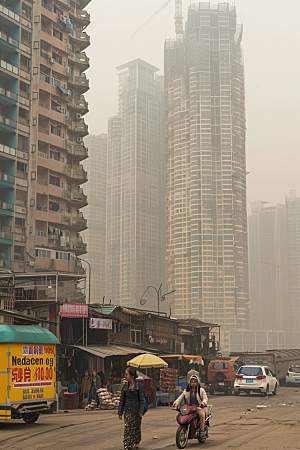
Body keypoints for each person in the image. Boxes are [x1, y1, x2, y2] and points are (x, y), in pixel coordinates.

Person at [173, 374, 208, 439]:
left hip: (198, 408)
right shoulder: (186, 391)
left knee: (202, 415)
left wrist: (203, 403)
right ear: (190, 383)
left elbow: (205, 399)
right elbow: (180, 398)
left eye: (195, 382)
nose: (193, 383)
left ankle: (202, 430)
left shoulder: (201, 390)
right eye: (192, 382)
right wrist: (176, 403)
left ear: (197, 382)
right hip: (189, 408)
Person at [118, 367, 144, 450]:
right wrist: (120, 412)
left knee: (136, 428)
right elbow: (122, 400)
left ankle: (136, 442)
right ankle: (127, 445)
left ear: (132, 376)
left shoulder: (139, 386)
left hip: (136, 411)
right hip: (127, 410)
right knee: (128, 428)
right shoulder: (125, 387)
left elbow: (141, 400)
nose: (125, 376)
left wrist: (141, 411)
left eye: (126, 374)